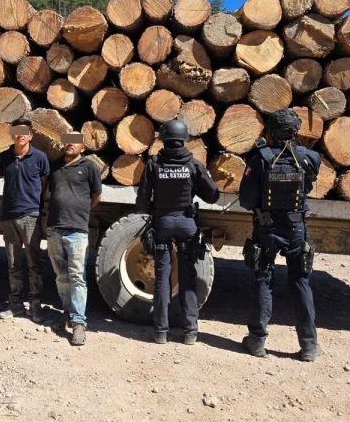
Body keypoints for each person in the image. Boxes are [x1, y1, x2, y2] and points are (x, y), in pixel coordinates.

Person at [238, 108, 322, 362]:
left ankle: (257, 341)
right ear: (296, 131)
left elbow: (246, 200)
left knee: (263, 280)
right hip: (296, 229)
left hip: (267, 229)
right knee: (301, 282)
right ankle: (309, 346)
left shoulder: (260, 159)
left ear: (271, 133)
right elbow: (308, 185)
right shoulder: (309, 158)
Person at [136, 119, 220, 345]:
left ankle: (160, 332)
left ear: (163, 139)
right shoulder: (193, 165)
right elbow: (213, 195)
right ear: (184, 140)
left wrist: (155, 210)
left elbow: (142, 201)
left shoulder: (153, 164)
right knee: (187, 278)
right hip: (186, 225)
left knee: (162, 279)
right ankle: (190, 332)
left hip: (162, 223)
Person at [45, 132, 102, 346]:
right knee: (61, 275)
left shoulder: (90, 167)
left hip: (77, 230)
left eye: (75, 142)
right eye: (68, 141)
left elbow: (97, 196)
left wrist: (80, 212)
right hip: (54, 229)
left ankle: (79, 322)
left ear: (83, 148)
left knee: (77, 276)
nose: (70, 144)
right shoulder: (55, 167)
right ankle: (68, 312)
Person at [0, 118, 50, 322]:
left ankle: (35, 303)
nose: (20, 135)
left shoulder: (40, 158)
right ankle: (15, 303)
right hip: (8, 215)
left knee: (34, 262)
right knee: (13, 262)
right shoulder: (4, 158)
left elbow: (43, 183)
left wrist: (32, 204)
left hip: (30, 216)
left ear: (30, 135)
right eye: (17, 131)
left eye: (24, 131)